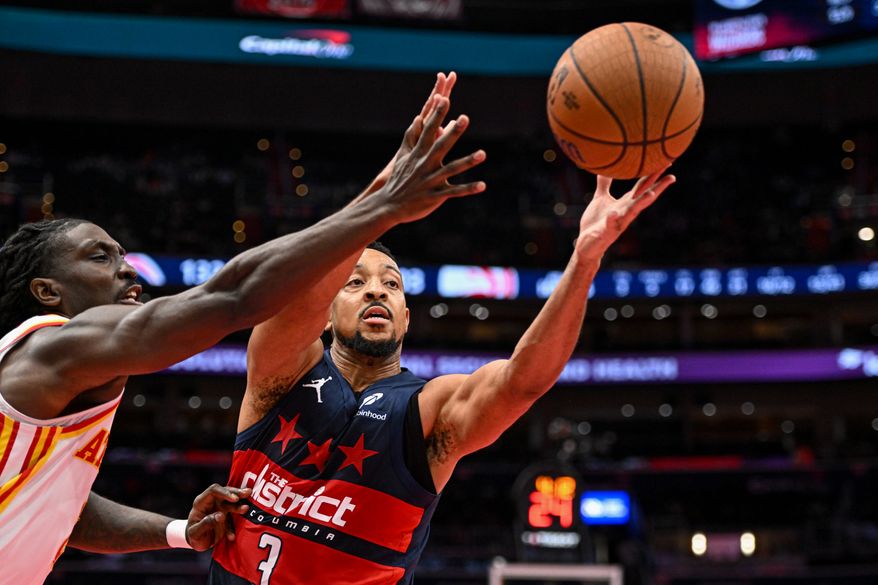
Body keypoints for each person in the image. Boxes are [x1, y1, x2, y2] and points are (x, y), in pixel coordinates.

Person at [0, 72, 485, 585]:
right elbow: (231, 298)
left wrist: (180, 532)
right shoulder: (54, 348)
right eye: (100, 257)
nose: (128, 269)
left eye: (123, 254)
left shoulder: (58, 380)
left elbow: (64, 505)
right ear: (47, 292)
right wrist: (378, 207)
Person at [208, 74, 676, 585]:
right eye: (355, 281)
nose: (375, 290)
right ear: (324, 309)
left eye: (391, 283)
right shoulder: (280, 372)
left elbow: (524, 380)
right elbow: (301, 278)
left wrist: (585, 260)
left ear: (406, 317)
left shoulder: (428, 409)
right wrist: (381, 199)